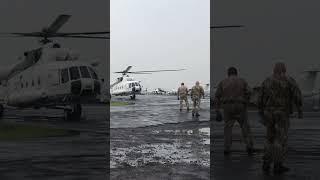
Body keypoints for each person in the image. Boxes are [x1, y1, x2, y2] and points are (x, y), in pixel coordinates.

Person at [258, 62, 303, 174]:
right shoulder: (289, 80)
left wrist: (261, 113)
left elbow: (260, 99)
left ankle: (266, 163)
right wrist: (299, 110)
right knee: (280, 139)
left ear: (274, 70)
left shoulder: (267, 81)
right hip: (282, 114)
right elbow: (297, 96)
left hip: (269, 114)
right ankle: (278, 165)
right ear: (284, 70)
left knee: (269, 138)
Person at [214, 67, 254, 155]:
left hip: (227, 107)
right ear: (236, 73)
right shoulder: (242, 81)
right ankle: (249, 146)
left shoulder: (223, 82)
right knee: (245, 127)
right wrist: (246, 101)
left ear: (228, 73)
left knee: (228, 128)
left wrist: (217, 111)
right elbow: (250, 92)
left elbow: (217, 97)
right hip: (240, 105)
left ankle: (227, 148)